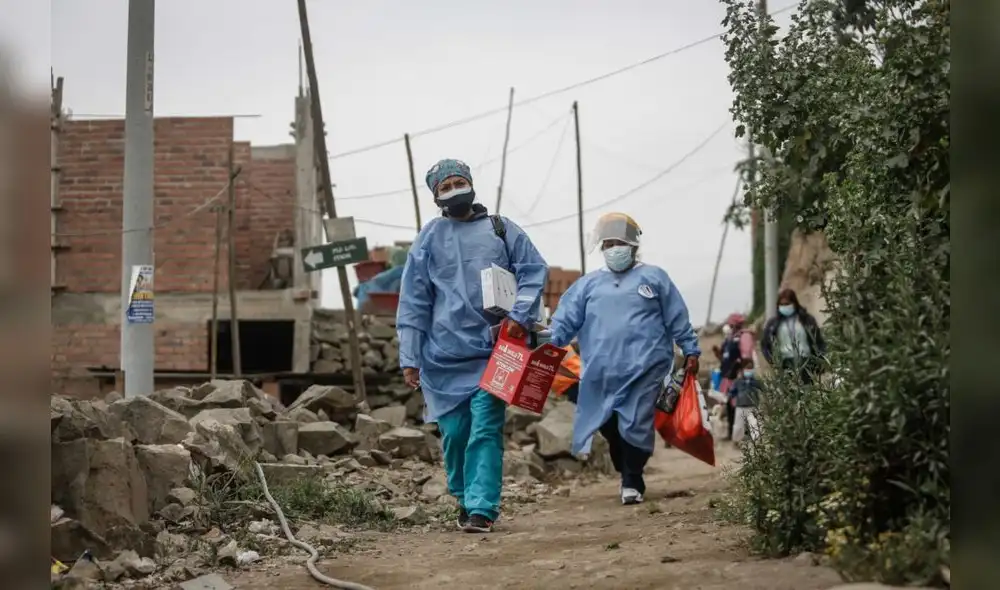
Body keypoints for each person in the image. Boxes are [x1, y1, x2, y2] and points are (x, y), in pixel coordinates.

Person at [396, 158, 548, 533]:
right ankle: (464, 497)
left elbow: (534, 272)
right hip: (441, 357)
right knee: (455, 434)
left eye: (458, 182)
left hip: (495, 353)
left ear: (472, 184)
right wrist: (410, 356)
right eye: (444, 187)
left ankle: (482, 507)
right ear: (435, 196)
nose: (453, 191)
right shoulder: (429, 238)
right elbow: (414, 301)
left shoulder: (502, 229)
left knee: (485, 429)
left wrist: (519, 315)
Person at [546, 213, 700, 505]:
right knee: (606, 422)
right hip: (601, 370)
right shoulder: (587, 286)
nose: (613, 249)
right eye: (608, 244)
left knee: (636, 422)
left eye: (619, 243)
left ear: (632, 245)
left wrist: (690, 349)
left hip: (645, 367)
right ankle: (628, 468)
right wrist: (546, 343)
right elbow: (563, 322)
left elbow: (677, 317)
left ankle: (631, 479)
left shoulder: (654, 278)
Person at [761, 288, 826, 384]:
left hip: (806, 361)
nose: (784, 307)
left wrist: (820, 361)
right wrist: (773, 361)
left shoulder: (806, 320)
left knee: (807, 392)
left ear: (794, 303)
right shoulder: (773, 324)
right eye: (781, 304)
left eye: (787, 304)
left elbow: (818, 340)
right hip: (785, 363)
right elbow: (765, 344)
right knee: (790, 393)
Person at [726, 358, 763, 442]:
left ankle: (757, 443)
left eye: (751, 368)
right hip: (740, 406)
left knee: (755, 425)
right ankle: (736, 441)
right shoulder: (738, 381)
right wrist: (728, 396)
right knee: (738, 426)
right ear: (743, 369)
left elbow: (763, 389)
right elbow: (732, 392)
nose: (749, 370)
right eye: (747, 368)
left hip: (753, 406)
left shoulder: (756, 382)